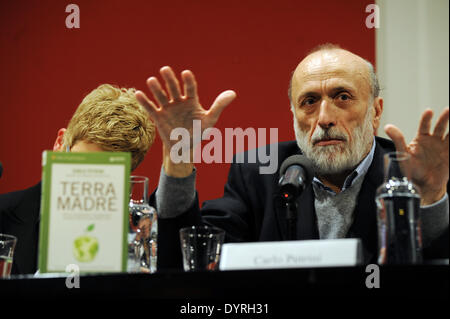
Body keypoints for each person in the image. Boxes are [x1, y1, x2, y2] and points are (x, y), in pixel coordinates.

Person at [135, 44, 449, 270]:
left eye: (342, 97)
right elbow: (194, 261)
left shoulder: (406, 174)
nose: (324, 117)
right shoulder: (258, 171)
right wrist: (178, 157)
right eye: (309, 101)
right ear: (293, 116)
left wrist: (432, 196)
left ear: (375, 111)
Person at [0, 84, 156, 274]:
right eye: (80, 166)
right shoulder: (3, 215)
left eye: (104, 176)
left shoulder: (135, 241)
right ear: (60, 143)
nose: (88, 185)